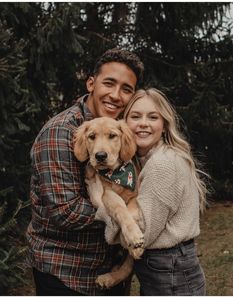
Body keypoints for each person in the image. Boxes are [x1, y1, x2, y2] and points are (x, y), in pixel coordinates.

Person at [26, 48, 144, 296]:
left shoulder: (120, 130)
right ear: (91, 83)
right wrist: (124, 216)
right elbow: (66, 211)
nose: (116, 95)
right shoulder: (60, 133)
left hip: (108, 270)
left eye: (126, 89)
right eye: (109, 83)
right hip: (67, 273)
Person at [89, 88, 208, 296]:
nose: (143, 123)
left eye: (153, 117)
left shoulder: (162, 164)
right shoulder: (139, 162)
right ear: (126, 124)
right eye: (135, 116)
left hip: (171, 271)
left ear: (163, 126)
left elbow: (138, 236)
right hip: (163, 267)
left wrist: (100, 204)